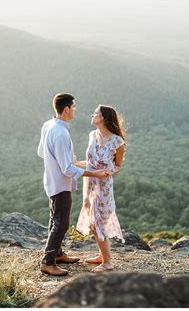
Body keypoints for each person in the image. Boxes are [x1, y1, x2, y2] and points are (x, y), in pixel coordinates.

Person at [37, 93, 110, 276]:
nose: (76, 109)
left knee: (55, 219)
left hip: (51, 180)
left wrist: (59, 162)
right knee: (61, 224)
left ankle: (58, 253)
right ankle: (48, 262)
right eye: (74, 106)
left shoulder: (49, 125)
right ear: (67, 108)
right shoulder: (60, 132)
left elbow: (41, 152)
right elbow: (68, 170)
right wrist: (95, 173)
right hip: (61, 184)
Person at [75, 104, 127, 273]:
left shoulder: (118, 142)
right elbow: (91, 162)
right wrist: (76, 163)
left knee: (100, 221)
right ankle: (102, 256)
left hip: (103, 185)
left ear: (104, 117)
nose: (92, 114)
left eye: (95, 113)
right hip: (89, 184)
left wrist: (108, 172)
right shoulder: (92, 135)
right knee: (92, 221)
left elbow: (118, 165)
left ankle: (108, 262)